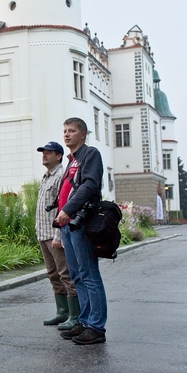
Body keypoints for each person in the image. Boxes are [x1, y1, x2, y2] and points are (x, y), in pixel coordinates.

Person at [54, 118, 108, 345]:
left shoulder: (90, 154)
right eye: (65, 131)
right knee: (77, 276)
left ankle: (96, 327)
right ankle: (85, 322)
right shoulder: (72, 160)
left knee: (89, 274)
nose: (66, 134)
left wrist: (68, 209)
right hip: (67, 225)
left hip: (80, 222)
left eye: (72, 131)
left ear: (83, 134)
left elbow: (90, 185)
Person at [35, 141, 79, 330]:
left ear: (59, 156)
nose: (44, 155)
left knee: (65, 275)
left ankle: (74, 315)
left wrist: (58, 236)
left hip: (55, 236)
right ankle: (62, 312)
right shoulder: (46, 176)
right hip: (43, 234)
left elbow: (62, 207)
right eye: (43, 152)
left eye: (49, 153)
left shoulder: (61, 175)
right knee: (53, 275)